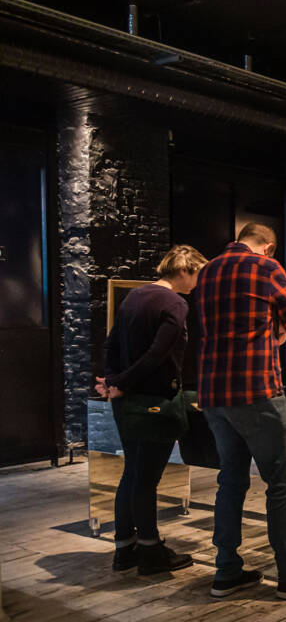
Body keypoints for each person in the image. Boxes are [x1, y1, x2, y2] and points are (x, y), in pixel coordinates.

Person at [197, 223, 286, 601]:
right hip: (256, 388)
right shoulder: (266, 268)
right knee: (282, 480)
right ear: (269, 247)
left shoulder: (208, 269)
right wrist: (276, 331)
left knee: (231, 480)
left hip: (213, 392)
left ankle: (226, 571)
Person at [97, 244, 208, 575]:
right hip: (154, 404)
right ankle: (150, 552)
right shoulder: (175, 303)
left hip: (127, 403)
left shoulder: (134, 297)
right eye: (198, 275)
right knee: (146, 480)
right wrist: (123, 383)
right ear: (185, 270)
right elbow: (157, 355)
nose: (198, 283)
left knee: (131, 474)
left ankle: (124, 549)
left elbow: (112, 343)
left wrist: (113, 381)